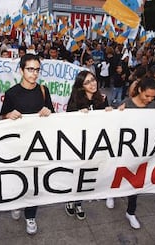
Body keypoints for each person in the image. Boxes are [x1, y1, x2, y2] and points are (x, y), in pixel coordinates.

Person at [0, 54, 54, 235]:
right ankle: (17, 204)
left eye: (37, 69)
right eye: (30, 69)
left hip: (38, 145)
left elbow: (52, 116)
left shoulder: (44, 90)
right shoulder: (11, 93)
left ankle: (30, 215)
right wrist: (8, 115)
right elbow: (3, 116)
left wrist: (48, 112)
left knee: (36, 183)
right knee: (18, 180)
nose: (34, 73)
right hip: (17, 147)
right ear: (22, 70)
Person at [114, 77, 155, 229]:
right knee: (116, 175)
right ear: (140, 90)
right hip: (124, 151)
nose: (149, 99)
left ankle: (131, 211)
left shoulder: (153, 105)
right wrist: (116, 113)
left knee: (136, 182)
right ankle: (111, 194)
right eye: (147, 96)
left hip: (142, 152)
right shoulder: (126, 104)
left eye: (152, 97)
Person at [65, 70, 111, 220]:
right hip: (79, 146)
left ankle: (78, 202)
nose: (92, 84)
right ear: (81, 86)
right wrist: (78, 116)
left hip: (96, 145)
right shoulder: (76, 101)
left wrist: (110, 112)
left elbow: (107, 122)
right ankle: (71, 200)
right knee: (77, 174)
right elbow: (68, 123)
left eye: (93, 80)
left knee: (88, 174)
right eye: (87, 82)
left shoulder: (103, 99)